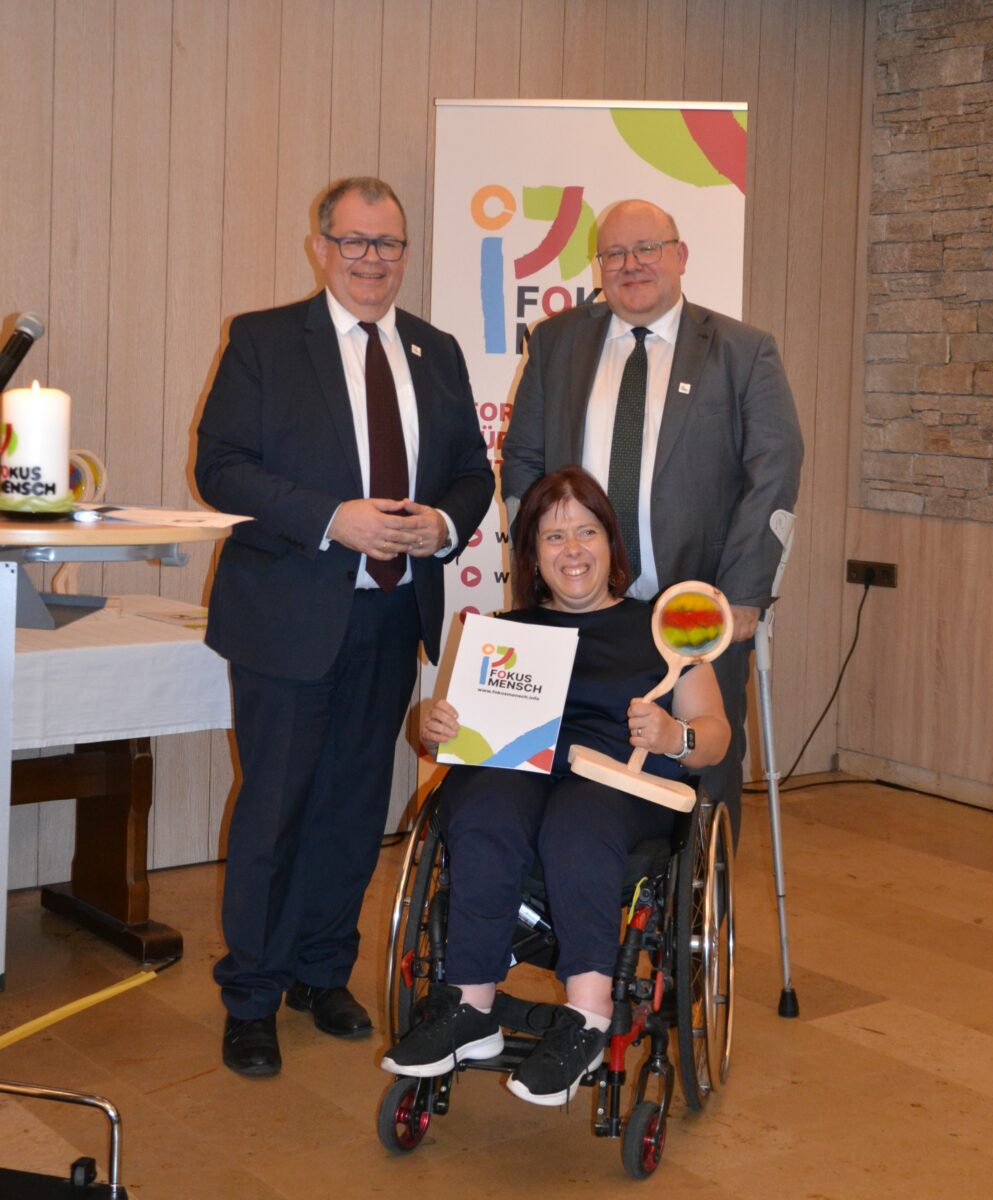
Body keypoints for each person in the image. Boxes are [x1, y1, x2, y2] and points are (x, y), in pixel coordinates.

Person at [195, 176, 494, 1078]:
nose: (372, 260)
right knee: (276, 809)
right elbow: (222, 468)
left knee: (356, 808)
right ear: (321, 247)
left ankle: (321, 972)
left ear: (405, 253)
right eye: (355, 242)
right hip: (287, 617)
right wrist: (333, 518)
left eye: (388, 244)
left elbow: (472, 473)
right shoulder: (263, 340)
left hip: (392, 615)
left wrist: (442, 524)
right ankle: (252, 994)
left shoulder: (436, 350)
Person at [382, 466, 730, 1106]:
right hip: (520, 775)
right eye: (554, 536)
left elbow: (715, 734)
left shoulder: (660, 631)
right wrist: (432, 724)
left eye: (587, 532)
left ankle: (589, 1015)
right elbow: (448, 736)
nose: (573, 549)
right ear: (533, 556)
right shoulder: (503, 633)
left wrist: (674, 735)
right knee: (481, 805)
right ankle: (470, 1008)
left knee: (576, 822)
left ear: (611, 544)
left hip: (617, 785)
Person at [501, 198, 802, 844]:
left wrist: (744, 593)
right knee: (568, 758)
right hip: (578, 607)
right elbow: (523, 461)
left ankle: (695, 898)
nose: (631, 264)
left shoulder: (742, 351)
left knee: (701, 760)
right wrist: (539, 566)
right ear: (598, 265)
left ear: (680, 256)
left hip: (697, 605)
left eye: (648, 249)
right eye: (615, 253)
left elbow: (774, 472)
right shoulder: (556, 343)